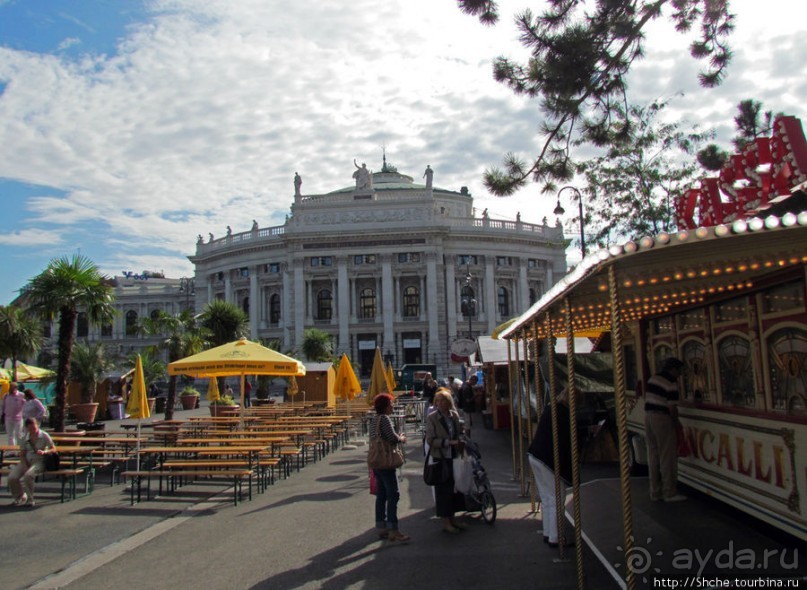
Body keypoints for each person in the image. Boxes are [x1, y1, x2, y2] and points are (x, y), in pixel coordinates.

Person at [527, 387, 575, 548]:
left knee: (548, 498)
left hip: (536, 455)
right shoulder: (562, 413)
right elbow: (568, 437)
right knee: (556, 498)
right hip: (546, 458)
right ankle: (556, 536)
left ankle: (549, 532)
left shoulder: (551, 408)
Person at [369, 393, 410, 543]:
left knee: (382, 494)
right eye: (391, 404)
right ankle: (393, 529)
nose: (392, 406)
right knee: (393, 494)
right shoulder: (385, 419)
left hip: (376, 461)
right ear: (386, 406)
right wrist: (402, 438)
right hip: (386, 460)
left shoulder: (374, 420)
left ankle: (381, 526)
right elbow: (392, 438)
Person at [645, 357, 687, 502]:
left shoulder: (653, 379)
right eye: (679, 370)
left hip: (649, 417)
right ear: (673, 369)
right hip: (662, 419)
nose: (680, 374)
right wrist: (676, 422)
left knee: (653, 455)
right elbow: (672, 407)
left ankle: (655, 492)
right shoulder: (671, 383)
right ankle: (669, 492)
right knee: (667, 456)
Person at [425, 388, 466, 534]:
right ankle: (445, 522)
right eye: (437, 401)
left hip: (454, 456)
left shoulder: (454, 415)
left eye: (442, 401)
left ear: (448, 402)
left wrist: (461, 438)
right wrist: (448, 443)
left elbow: (458, 433)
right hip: (441, 457)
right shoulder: (432, 418)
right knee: (443, 490)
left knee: (453, 488)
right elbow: (430, 440)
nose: (439, 403)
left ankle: (453, 518)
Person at [8, 417, 56, 507]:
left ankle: (30, 499)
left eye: (34, 428)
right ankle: (20, 496)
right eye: (30, 429)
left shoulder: (44, 435)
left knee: (28, 475)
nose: (33, 430)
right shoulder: (24, 437)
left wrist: (45, 452)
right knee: (12, 477)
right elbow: (22, 453)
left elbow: (53, 448)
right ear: (27, 428)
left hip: (39, 460)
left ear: (37, 425)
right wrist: (24, 464)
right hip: (26, 460)